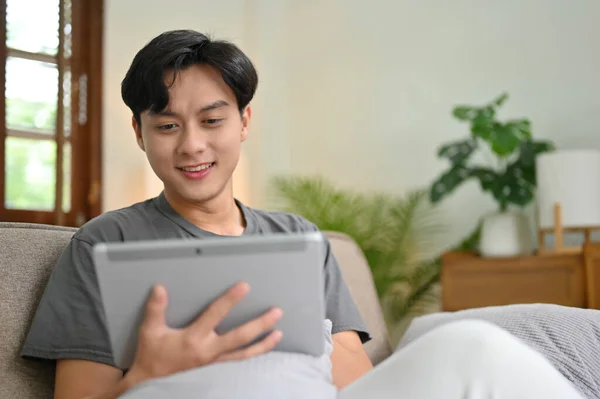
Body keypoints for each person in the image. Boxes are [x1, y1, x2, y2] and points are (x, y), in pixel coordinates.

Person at [20, 30, 584, 399]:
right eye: (167, 126)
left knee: (472, 344)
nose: (191, 145)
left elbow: (358, 383)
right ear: (140, 133)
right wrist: (149, 372)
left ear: (243, 123)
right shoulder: (103, 244)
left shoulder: (299, 238)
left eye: (212, 121)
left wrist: (305, 348)